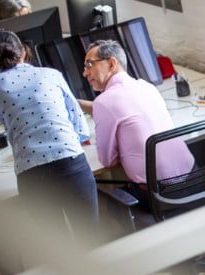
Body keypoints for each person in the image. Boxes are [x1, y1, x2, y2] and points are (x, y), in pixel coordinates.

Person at [0, 29, 97, 240]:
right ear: (23, 52)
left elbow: (5, 120)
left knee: (56, 247)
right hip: (70, 163)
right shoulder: (50, 74)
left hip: (31, 174)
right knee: (91, 238)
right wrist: (77, 137)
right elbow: (77, 118)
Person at [79, 39, 193, 200]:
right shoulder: (146, 87)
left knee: (109, 201)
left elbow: (107, 160)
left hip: (160, 195)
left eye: (89, 65)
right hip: (195, 178)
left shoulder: (105, 102)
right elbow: (113, 108)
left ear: (111, 64)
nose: (85, 73)